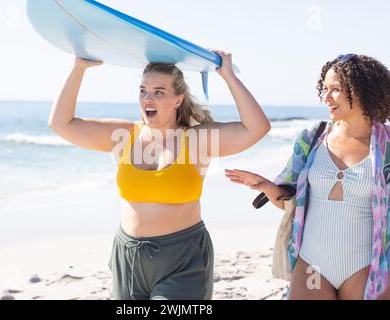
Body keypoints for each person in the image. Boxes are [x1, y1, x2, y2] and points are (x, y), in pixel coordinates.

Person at [48, 50, 271, 300]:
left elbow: (257, 128)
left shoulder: (197, 140)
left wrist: (227, 75)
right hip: (129, 256)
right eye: (143, 91)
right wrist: (79, 68)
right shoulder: (124, 135)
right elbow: (61, 124)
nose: (147, 99)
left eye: (158, 92)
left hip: (182, 258)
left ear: (178, 99)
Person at [225, 54, 390, 300]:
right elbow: (290, 204)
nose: (326, 97)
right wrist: (267, 187)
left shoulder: (386, 146)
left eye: (336, 89)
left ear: (363, 90)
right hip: (312, 265)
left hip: (366, 266)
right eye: (324, 89)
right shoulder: (313, 139)